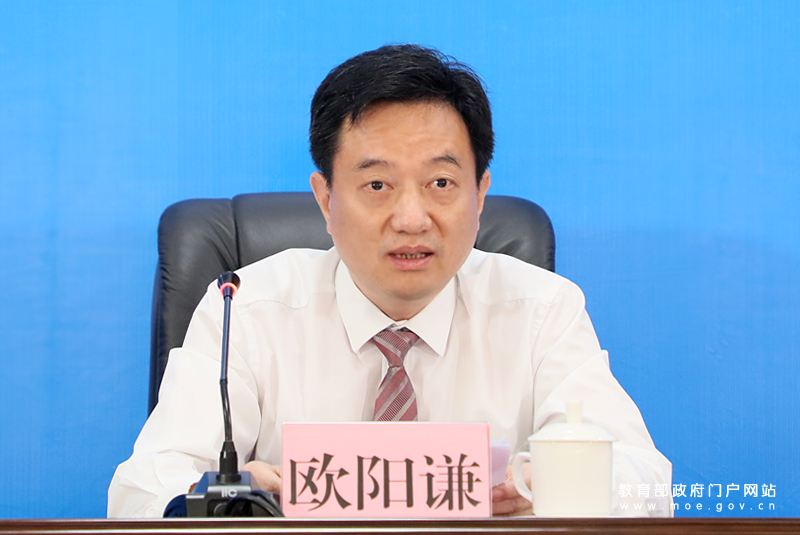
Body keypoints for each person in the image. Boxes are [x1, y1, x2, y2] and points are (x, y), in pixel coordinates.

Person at [108, 44, 672, 518]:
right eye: (377, 186)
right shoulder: (246, 308)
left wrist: (549, 489)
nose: (411, 218)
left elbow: (646, 485)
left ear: (480, 196)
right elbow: (139, 492)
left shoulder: (542, 310)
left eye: (441, 183)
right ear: (326, 200)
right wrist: (219, 498)